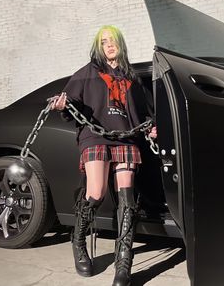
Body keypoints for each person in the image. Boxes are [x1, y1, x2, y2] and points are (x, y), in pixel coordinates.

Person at [51, 25, 157, 286]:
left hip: (126, 138)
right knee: (96, 192)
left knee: (127, 200)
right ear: (99, 46)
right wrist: (63, 105)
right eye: (104, 41)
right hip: (95, 137)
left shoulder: (132, 79)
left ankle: (124, 262)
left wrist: (152, 127)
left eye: (113, 41)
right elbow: (71, 103)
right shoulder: (87, 73)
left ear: (120, 44)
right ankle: (78, 242)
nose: (109, 45)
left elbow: (144, 115)